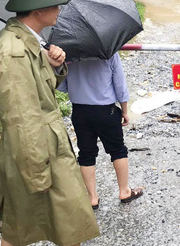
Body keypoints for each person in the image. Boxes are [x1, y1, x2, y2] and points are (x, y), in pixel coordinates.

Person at [0, 0, 101, 246]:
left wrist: (56, 64)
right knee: (74, 209)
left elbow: (43, 90)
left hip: (37, 141)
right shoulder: (13, 50)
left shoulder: (28, 41)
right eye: (56, 5)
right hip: (37, 145)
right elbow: (21, 114)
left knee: (17, 209)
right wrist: (37, 167)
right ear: (38, 10)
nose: (60, 10)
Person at [58, 55, 144, 209]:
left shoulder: (69, 53)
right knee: (118, 150)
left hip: (80, 111)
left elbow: (62, 86)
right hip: (106, 110)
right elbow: (120, 85)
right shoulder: (108, 52)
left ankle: (92, 198)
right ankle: (124, 191)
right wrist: (124, 111)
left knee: (86, 154)